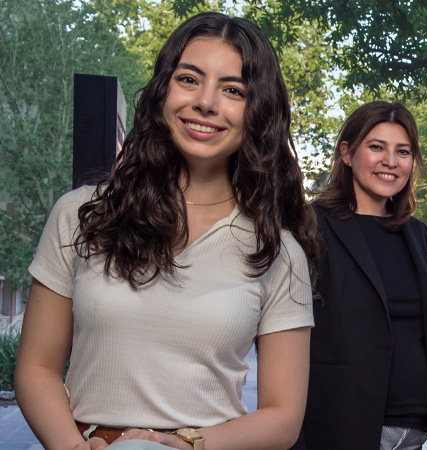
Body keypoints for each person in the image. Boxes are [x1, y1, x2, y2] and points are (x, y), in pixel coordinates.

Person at [13, 12, 320, 450]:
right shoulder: (81, 213)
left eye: (233, 90)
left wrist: (190, 444)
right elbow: (36, 367)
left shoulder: (278, 250)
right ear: (162, 91)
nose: (206, 102)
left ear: (258, 112)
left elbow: (283, 417)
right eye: (189, 79)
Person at [291, 101, 427, 450]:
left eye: (403, 151)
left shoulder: (417, 233)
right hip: (340, 426)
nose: (390, 161)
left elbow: (418, 335)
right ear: (347, 153)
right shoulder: (309, 225)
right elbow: (287, 337)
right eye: (377, 147)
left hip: (413, 430)